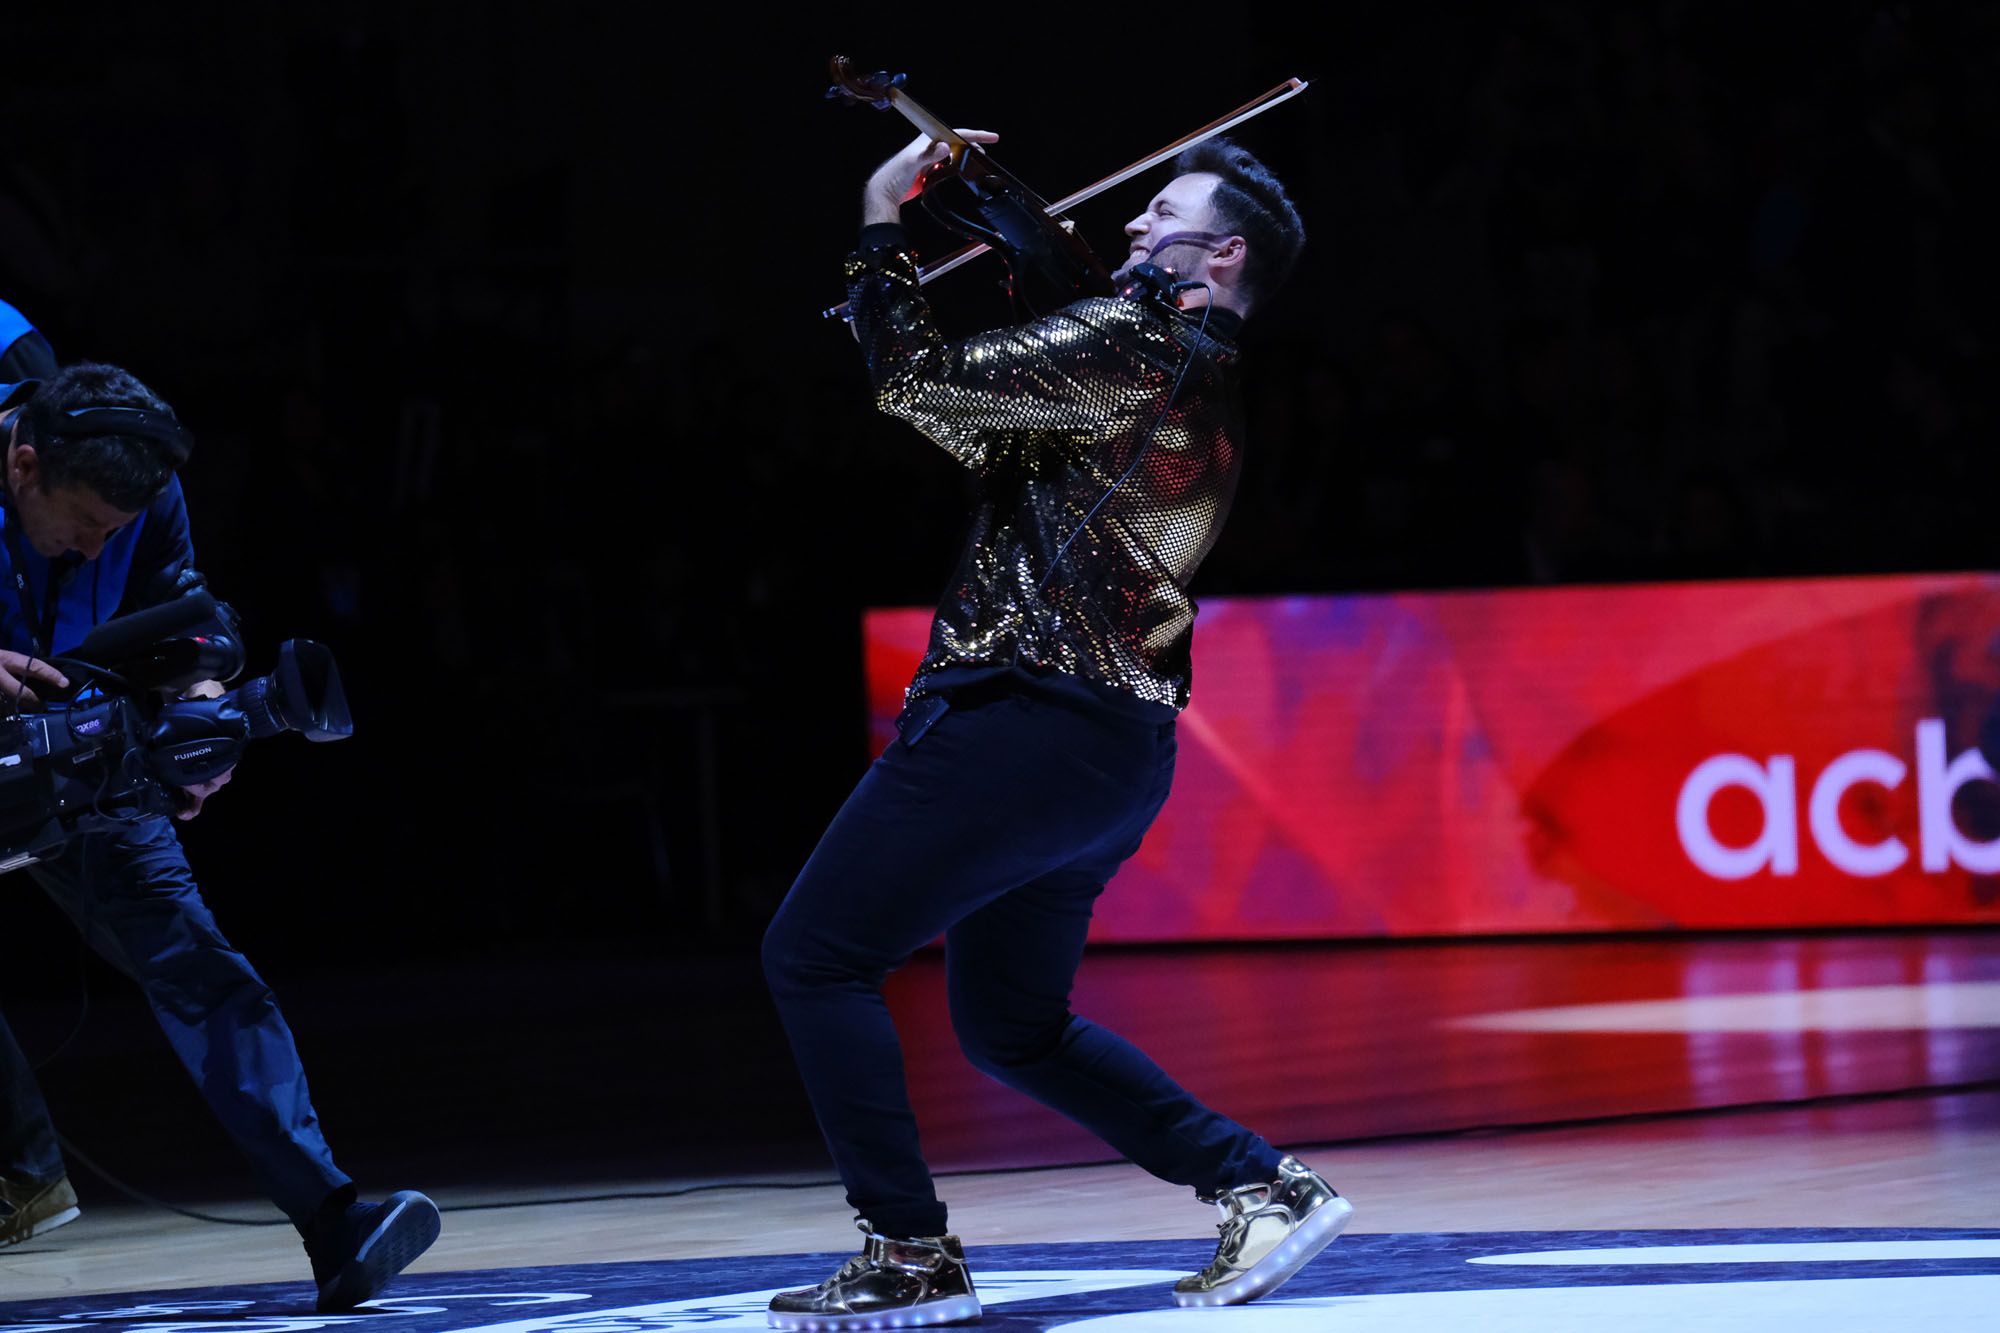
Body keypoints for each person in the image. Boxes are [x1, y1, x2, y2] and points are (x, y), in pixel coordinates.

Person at [760, 133, 1345, 1329]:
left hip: (1019, 717)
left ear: (1222, 252)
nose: (1132, 227)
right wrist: (1000, 213)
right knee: (1012, 1024)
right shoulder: (1190, 368)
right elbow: (1038, 352)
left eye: (1162, 213)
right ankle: (1259, 1183)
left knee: (814, 954)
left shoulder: (1131, 348)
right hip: (1111, 753)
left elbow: (921, 383)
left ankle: (907, 1249)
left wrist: (882, 220)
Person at [0, 359, 440, 1312]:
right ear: (22, 466)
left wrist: (197, 706)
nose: (88, 550)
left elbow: (187, 620)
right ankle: (19, 1170)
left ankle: (334, 1220)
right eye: (80, 526)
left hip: (74, 754)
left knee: (195, 958)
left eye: (109, 534)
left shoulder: (144, 488)